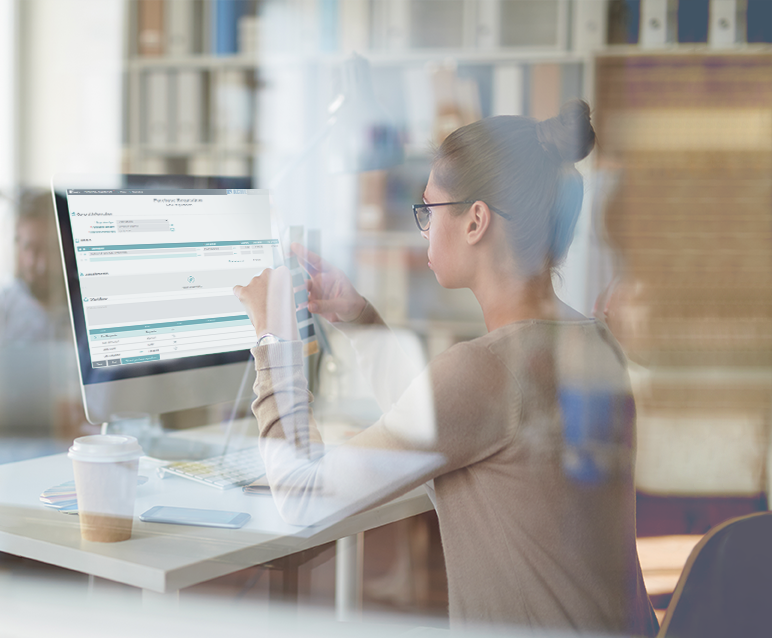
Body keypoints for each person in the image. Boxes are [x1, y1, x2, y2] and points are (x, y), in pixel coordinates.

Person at [233, 100, 659, 635]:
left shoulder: (489, 371)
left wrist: (273, 337)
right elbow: (440, 425)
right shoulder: (591, 342)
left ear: (476, 220)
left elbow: (302, 497)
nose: (424, 228)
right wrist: (359, 317)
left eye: (429, 210)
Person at [0, 189, 65, 344]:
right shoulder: (4, 308)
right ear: (18, 247)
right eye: (32, 249)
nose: (43, 265)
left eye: (52, 248)